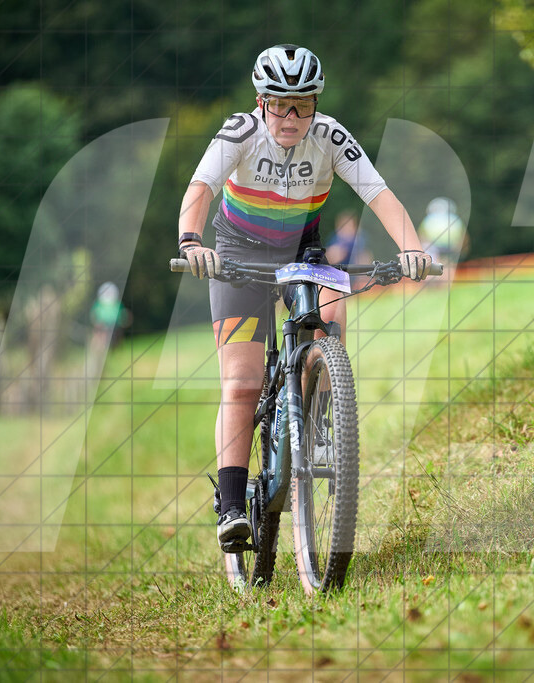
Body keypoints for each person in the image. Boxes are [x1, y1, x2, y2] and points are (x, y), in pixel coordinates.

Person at [176, 44, 432, 552]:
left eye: (303, 104)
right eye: (279, 104)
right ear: (261, 102)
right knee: (242, 382)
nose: (291, 117)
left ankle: (319, 416)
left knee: (333, 302)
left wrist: (412, 248)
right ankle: (232, 506)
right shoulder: (240, 132)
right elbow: (201, 187)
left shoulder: (330, 136)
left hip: (301, 250)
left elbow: (379, 194)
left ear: (316, 103)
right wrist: (190, 242)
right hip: (238, 254)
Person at [417, 197, 467, 282]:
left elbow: (422, 235)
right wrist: (461, 248)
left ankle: (434, 281)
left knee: (436, 265)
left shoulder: (428, 219)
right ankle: (446, 282)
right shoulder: (455, 219)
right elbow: (463, 235)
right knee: (448, 265)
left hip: (434, 247)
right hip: (451, 246)